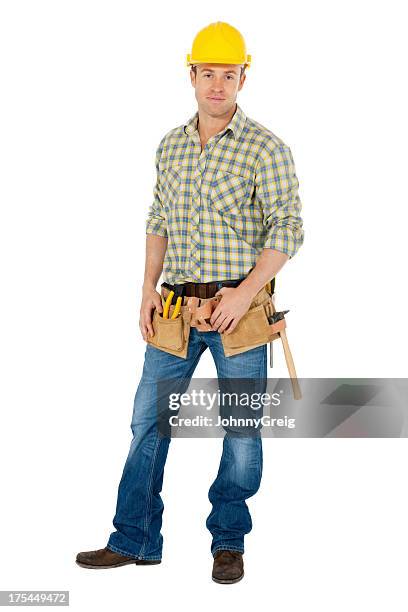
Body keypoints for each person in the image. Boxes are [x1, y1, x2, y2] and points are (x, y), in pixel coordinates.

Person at [76, 20, 304, 584]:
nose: (218, 85)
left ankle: (228, 542)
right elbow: (158, 219)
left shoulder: (266, 148)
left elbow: (289, 229)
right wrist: (147, 288)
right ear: (192, 75)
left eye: (229, 75)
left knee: (241, 431)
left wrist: (246, 292)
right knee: (147, 424)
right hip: (176, 310)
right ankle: (133, 540)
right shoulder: (172, 146)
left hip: (242, 314)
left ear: (243, 77)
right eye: (209, 74)